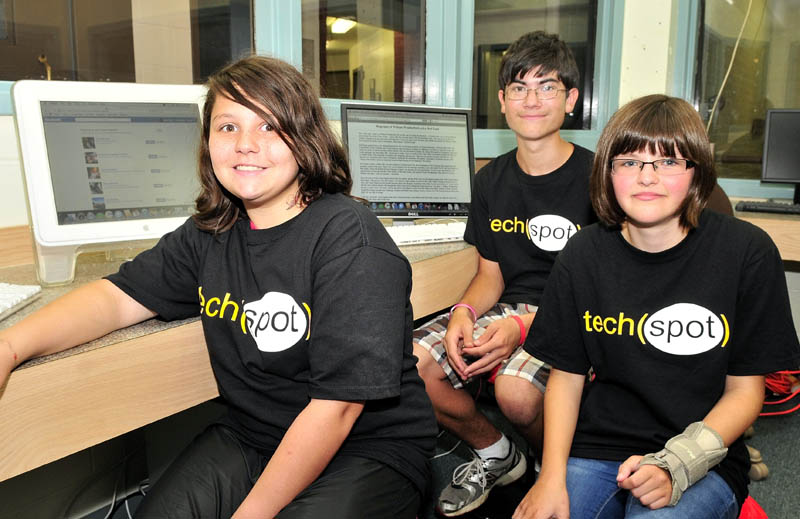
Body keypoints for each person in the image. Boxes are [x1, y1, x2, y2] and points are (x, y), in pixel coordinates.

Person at [0, 55, 437, 519]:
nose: (246, 144)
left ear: (305, 138)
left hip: (369, 447)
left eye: (270, 127)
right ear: (208, 141)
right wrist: (10, 346)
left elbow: (338, 409)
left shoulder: (349, 239)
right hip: (255, 435)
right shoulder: (211, 232)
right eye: (228, 127)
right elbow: (115, 298)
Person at [514, 94, 800, 519]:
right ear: (608, 172)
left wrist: (677, 464)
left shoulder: (746, 253)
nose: (647, 177)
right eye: (629, 162)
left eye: (668, 161)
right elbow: (567, 379)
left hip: (704, 455)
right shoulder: (582, 255)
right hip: (598, 447)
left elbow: (745, 392)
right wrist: (550, 478)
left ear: (697, 172)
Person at [412, 31, 596, 516]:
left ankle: (552, 466)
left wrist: (523, 327)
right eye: (519, 87)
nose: (531, 100)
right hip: (507, 308)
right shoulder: (491, 179)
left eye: (548, 87)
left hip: (576, 317)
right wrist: (463, 312)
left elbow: (605, 293)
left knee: (515, 391)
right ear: (502, 100)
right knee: (406, 366)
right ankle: (497, 452)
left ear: (571, 100)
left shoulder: (598, 181)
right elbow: (490, 275)